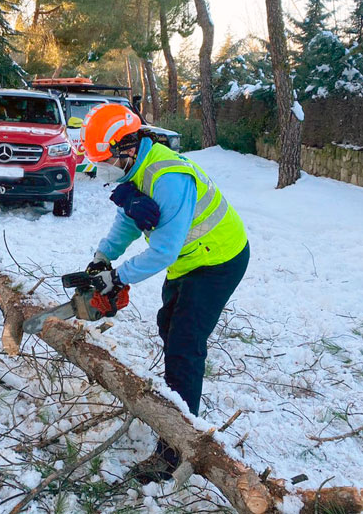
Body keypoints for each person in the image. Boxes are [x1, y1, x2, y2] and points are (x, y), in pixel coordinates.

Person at [80, 103, 250, 484]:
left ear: (125, 147)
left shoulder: (168, 177)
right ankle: (178, 398)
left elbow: (163, 251)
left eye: (104, 159)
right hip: (190, 261)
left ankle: (176, 448)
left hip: (220, 259)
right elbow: (129, 219)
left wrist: (119, 278)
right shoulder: (136, 171)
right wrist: (102, 258)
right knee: (168, 326)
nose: (101, 168)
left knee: (184, 344)